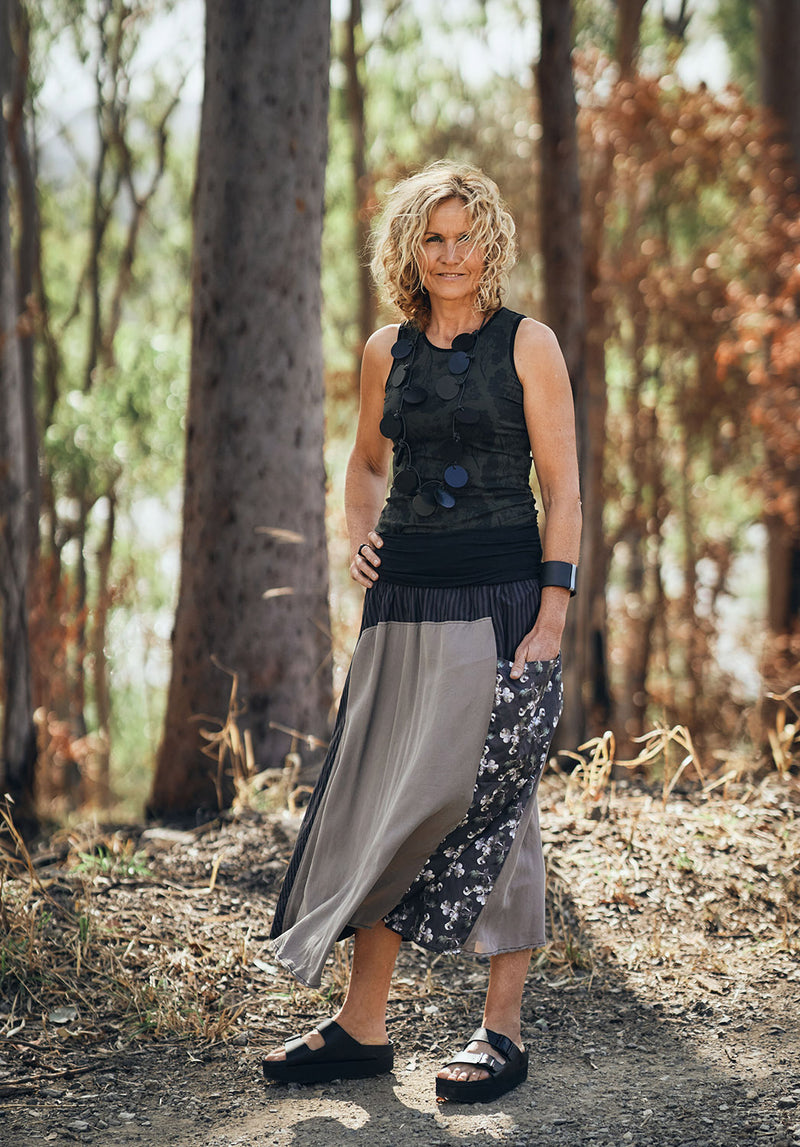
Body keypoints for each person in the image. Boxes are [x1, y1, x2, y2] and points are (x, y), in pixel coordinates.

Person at [263, 162, 581, 1105]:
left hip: (501, 604)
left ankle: (501, 1030)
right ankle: (363, 1026)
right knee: (383, 799)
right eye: (432, 238)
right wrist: (360, 535)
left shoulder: (530, 344)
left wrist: (553, 613)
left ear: (491, 243)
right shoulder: (385, 351)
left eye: (464, 236)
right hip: (401, 607)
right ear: (410, 249)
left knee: (493, 802)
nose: (450, 255)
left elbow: (565, 489)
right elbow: (365, 464)